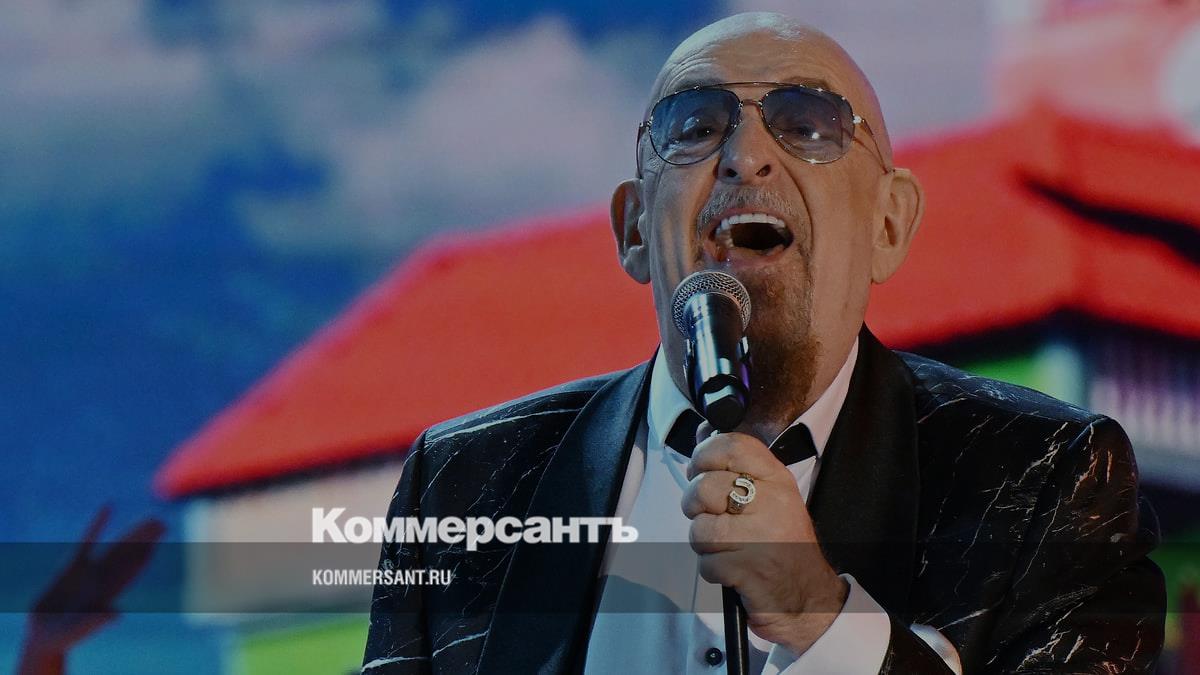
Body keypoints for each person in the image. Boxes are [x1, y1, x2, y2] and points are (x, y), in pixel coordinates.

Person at [363, 12, 1164, 674]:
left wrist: (821, 617)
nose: (745, 158)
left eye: (808, 125)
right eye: (696, 127)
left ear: (889, 224)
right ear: (635, 229)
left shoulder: (1051, 480)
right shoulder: (459, 486)